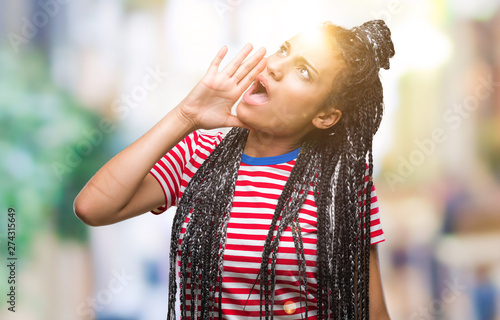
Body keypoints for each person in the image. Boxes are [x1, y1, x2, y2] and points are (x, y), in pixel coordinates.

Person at [74, 19, 394, 320]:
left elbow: (372, 312)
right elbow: (93, 208)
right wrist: (187, 116)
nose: (275, 66)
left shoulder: (341, 186)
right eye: (284, 50)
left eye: (304, 72)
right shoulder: (199, 155)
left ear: (325, 115)